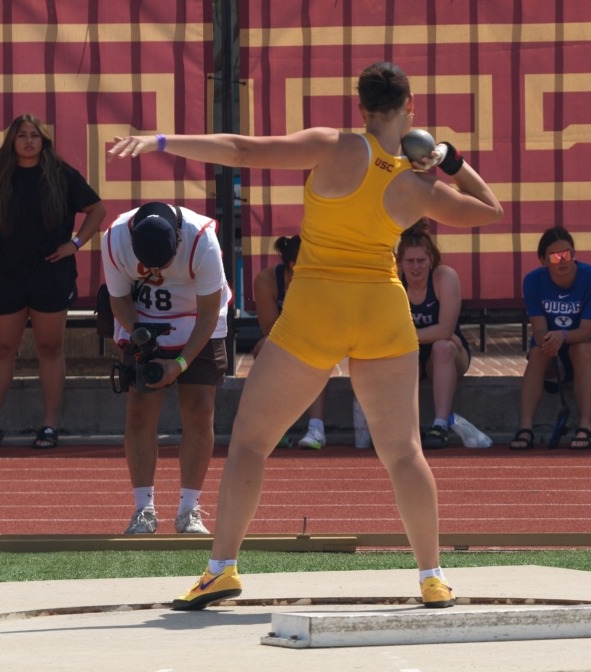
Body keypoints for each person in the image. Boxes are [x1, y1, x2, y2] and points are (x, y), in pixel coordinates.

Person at [108, 61, 502, 609]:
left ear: (361, 107)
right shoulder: (418, 184)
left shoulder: (333, 145)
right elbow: (490, 209)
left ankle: (221, 568)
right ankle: (431, 577)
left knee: (250, 443)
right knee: (405, 452)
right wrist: (453, 162)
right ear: (410, 104)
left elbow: (243, 150)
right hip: (382, 311)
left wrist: (164, 140)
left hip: (316, 306)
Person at [0, 114, 106, 450]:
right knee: (1, 349)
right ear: (12, 141)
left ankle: (49, 425)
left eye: (34, 135)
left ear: (44, 141)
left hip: (50, 273)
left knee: (50, 348)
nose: (28, 141)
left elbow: (97, 210)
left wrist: (73, 245)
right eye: (22, 135)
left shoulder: (60, 174)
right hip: (6, 273)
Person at [101, 201, 232, 535]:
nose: (157, 273)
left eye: (165, 264)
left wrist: (181, 363)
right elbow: (118, 299)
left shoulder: (202, 240)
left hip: (197, 321)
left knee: (200, 410)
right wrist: (140, 338)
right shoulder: (115, 238)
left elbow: (208, 313)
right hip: (142, 321)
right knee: (140, 411)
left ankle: (190, 510)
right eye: (148, 266)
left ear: (178, 238)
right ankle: (143, 508)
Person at [511, 226, 591, 451]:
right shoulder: (533, 281)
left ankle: (585, 426)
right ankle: (525, 427)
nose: (562, 261)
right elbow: (538, 330)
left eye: (567, 254)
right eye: (555, 256)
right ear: (543, 260)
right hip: (554, 350)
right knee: (538, 352)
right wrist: (547, 339)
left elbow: (587, 332)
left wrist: (563, 335)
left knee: (579, 349)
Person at [396, 221, 471, 449]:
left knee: (443, 347)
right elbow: (385, 332)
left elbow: (445, 331)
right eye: (410, 261)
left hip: (449, 354)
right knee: (398, 357)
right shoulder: (393, 283)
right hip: (412, 354)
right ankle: (403, 426)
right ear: (400, 262)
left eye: (422, 260)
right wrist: (432, 333)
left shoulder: (444, 277)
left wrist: (410, 335)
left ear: (432, 260)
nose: (416, 267)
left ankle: (440, 425)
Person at [253, 234, 329, 450]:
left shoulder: (321, 281)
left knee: (317, 349)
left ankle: (317, 429)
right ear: (294, 266)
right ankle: (274, 427)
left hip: (317, 341)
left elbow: (322, 327)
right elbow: (270, 329)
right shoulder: (266, 281)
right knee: (264, 348)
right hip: (284, 341)